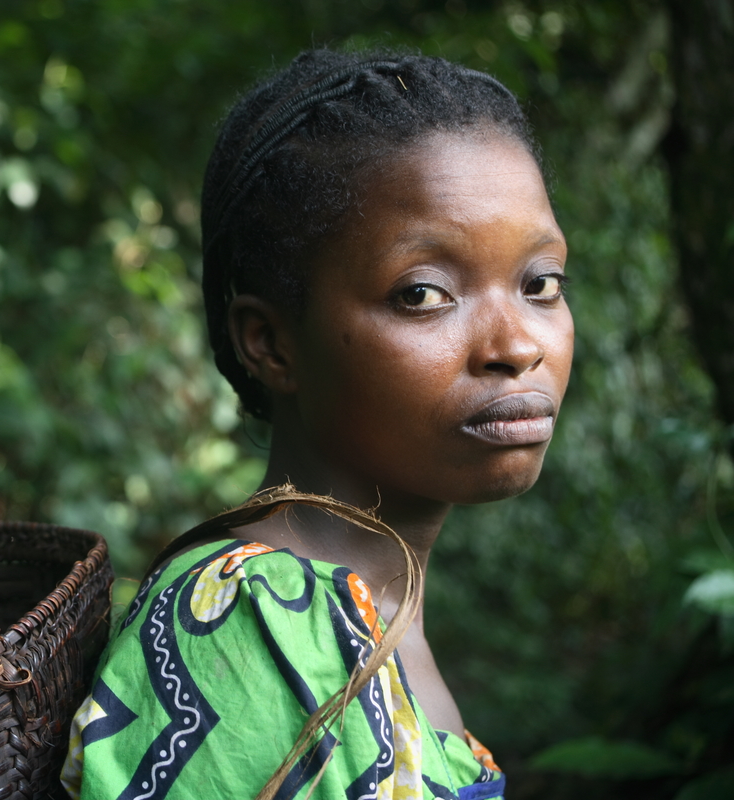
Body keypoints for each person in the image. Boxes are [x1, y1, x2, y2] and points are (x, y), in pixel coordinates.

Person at [61, 48, 573, 800]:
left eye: (541, 283)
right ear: (270, 343)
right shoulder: (250, 628)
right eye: (424, 294)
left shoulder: (370, 614)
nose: (517, 346)